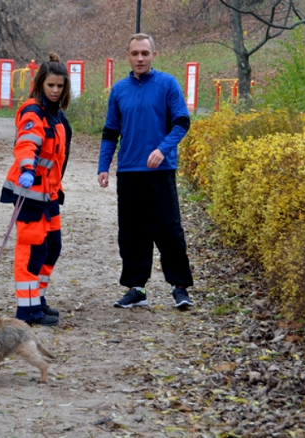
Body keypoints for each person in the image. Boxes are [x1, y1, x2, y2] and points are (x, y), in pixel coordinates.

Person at [97, 33, 194, 310]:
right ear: (127, 56)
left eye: (145, 53)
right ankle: (136, 288)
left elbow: (182, 122)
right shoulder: (119, 90)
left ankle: (180, 287)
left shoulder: (167, 84)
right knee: (132, 232)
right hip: (128, 171)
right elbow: (110, 132)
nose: (140, 58)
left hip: (160, 170)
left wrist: (163, 149)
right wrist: (104, 166)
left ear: (153, 55)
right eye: (135, 53)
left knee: (168, 230)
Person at [0, 53, 72, 327]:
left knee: (52, 248)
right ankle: (27, 311)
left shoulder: (56, 116)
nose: (55, 91)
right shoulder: (33, 112)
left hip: (50, 195)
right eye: (50, 85)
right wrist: (28, 169)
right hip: (29, 194)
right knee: (32, 251)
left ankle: (37, 299)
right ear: (40, 84)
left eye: (60, 86)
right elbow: (26, 144)